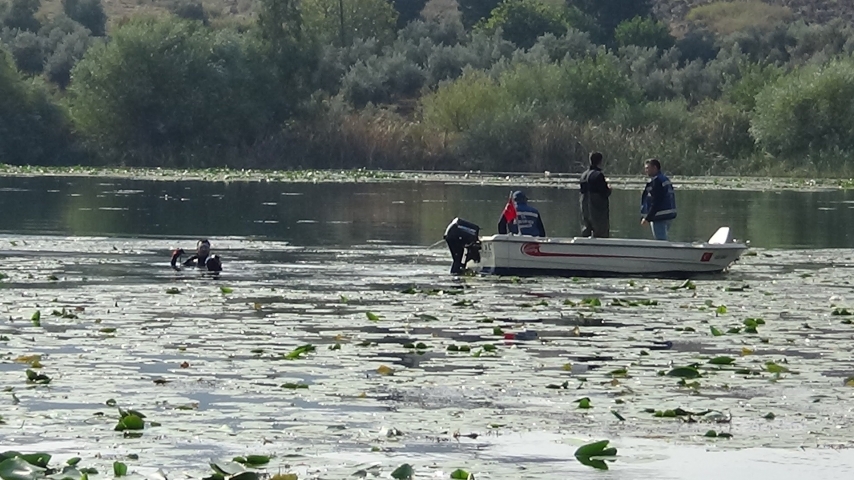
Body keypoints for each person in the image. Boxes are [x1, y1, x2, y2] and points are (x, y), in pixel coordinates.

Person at [640, 158, 677, 241]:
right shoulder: (665, 179)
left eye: (648, 168)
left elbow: (656, 201)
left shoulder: (657, 182)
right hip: (668, 215)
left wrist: (647, 218)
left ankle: (665, 254)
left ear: (655, 168)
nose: (646, 170)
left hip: (659, 216)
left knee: (661, 240)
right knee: (663, 237)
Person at [579, 151, 611, 238]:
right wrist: (609, 188)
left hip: (585, 207)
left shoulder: (583, 175)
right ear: (600, 161)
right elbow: (604, 192)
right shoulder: (598, 175)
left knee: (586, 229)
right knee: (601, 230)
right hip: (596, 209)